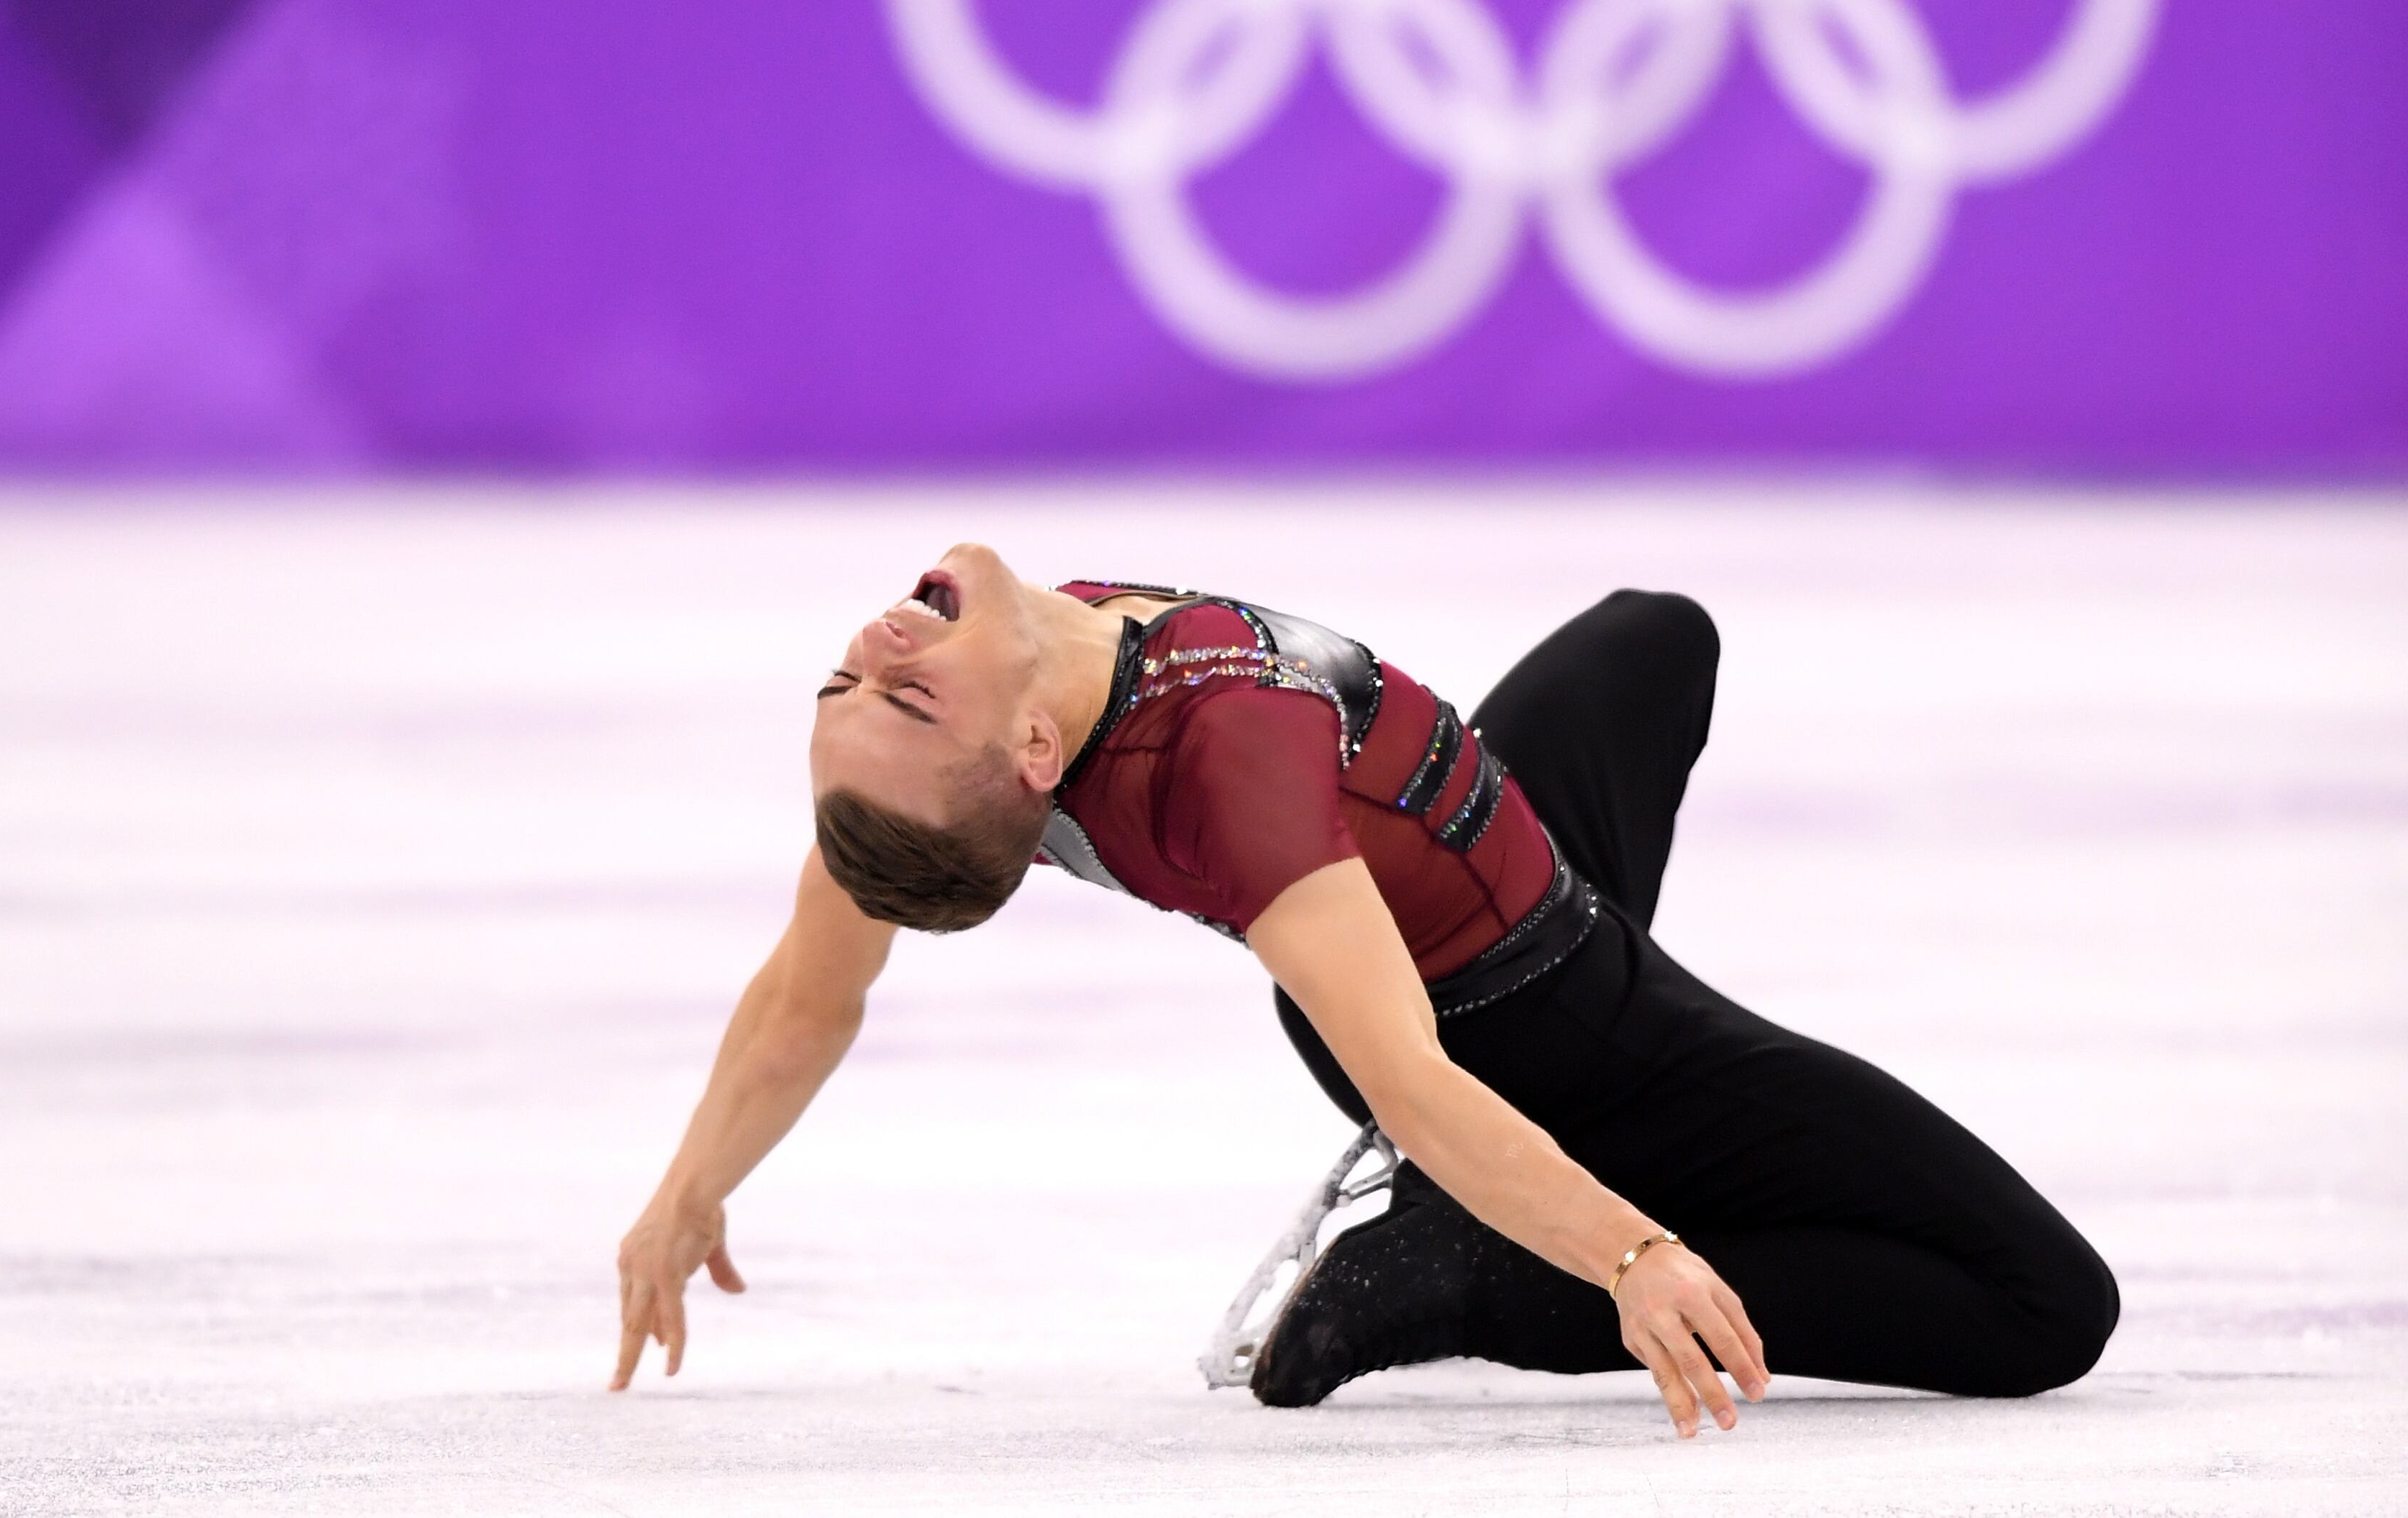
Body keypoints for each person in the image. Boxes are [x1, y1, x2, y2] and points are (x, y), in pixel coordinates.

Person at [611, 544, 2118, 1435]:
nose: (877, 648)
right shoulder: (1224, 760)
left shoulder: (1000, 696)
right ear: (1018, 756)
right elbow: (1411, 1080)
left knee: (1657, 637)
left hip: (1485, 899)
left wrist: (686, 1184)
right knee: (2047, 1306)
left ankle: (1488, 1199)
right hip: (1541, 1023)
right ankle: (1473, 1275)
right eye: (902, 690)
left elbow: (813, 986)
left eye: (854, 680)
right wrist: (1628, 1250)